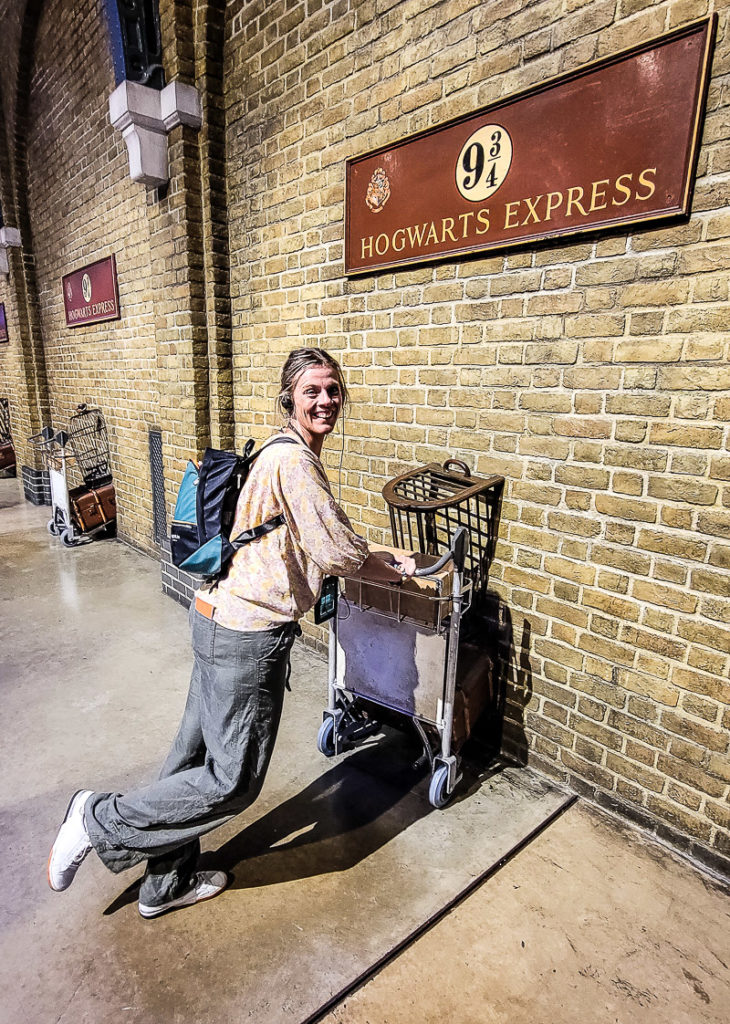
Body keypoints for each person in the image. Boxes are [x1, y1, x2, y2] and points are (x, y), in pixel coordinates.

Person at [47, 347, 415, 918]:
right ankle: (97, 819)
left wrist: (385, 555)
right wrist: (395, 564)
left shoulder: (276, 450)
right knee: (231, 780)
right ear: (289, 398)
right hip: (247, 636)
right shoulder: (295, 463)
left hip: (216, 618)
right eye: (313, 391)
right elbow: (338, 551)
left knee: (192, 761)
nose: (325, 401)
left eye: (333, 390)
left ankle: (164, 885)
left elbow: (313, 539)